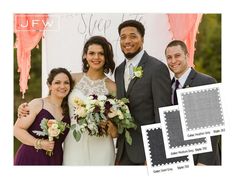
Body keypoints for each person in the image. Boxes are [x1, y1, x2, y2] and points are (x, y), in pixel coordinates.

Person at [17, 36, 117, 165]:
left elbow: (116, 131)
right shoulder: (72, 79)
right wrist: (26, 107)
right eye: (92, 53)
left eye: (101, 54)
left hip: (102, 144)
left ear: (106, 57)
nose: (96, 57)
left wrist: (110, 126)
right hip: (74, 143)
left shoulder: (113, 87)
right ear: (85, 56)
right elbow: (52, 97)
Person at [114, 20, 172, 165]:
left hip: (147, 153)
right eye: (123, 37)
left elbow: (162, 112)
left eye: (133, 36)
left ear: (142, 39)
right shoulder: (119, 70)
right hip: (123, 152)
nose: (127, 41)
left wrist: (157, 153)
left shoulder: (157, 68)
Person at [165, 39, 221, 165]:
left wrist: (203, 163)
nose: (173, 61)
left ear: (187, 55)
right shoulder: (168, 87)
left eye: (177, 55)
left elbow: (213, 129)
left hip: (202, 161)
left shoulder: (205, 82)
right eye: (169, 57)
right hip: (179, 160)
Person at [14, 68, 73, 165]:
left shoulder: (70, 110)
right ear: (50, 85)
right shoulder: (38, 104)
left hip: (55, 159)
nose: (62, 86)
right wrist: (39, 143)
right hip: (31, 157)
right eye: (57, 82)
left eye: (66, 83)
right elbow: (17, 130)